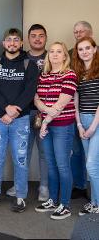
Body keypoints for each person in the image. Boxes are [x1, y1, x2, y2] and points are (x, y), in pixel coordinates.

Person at [0, 28, 38, 212]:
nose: (12, 43)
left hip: (21, 119)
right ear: (3, 43)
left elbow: (30, 91)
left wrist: (14, 111)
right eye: (9, 40)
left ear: (21, 43)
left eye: (16, 40)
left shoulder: (28, 65)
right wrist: (6, 109)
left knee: (20, 160)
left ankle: (21, 197)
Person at [34, 42, 77, 220]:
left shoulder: (70, 74)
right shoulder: (44, 75)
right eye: (52, 51)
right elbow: (36, 98)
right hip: (48, 124)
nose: (55, 54)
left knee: (62, 166)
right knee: (51, 165)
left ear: (65, 56)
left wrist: (46, 120)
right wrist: (47, 113)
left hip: (63, 126)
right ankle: (52, 200)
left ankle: (65, 204)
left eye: (59, 51)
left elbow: (63, 101)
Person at [6, 24, 49, 201]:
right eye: (33, 36)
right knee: (21, 152)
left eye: (41, 35)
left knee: (44, 152)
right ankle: (19, 183)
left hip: (45, 113)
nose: (37, 39)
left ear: (45, 38)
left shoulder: (52, 56)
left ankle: (44, 186)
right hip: (23, 113)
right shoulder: (21, 58)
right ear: (27, 40)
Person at [72, 37, 99, 215]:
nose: (84, 52)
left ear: (95, 49)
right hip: (83, 119)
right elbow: (76, 99)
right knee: (93, 166)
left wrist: (92, 127)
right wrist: (80, 124)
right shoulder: (78, 71)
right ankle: (95, 202)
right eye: (81, 49)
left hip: (97, 120)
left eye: (88, 48)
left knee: (91, 165)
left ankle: (97, 204)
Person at [69, 21, 94, 199]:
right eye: (75, 32)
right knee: (77, 152)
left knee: (93, 159)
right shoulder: (72, 56)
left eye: (82, 31)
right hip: (78, 114)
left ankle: (95, 195)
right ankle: (80, 185)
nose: (78, 34)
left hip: (95, 115)